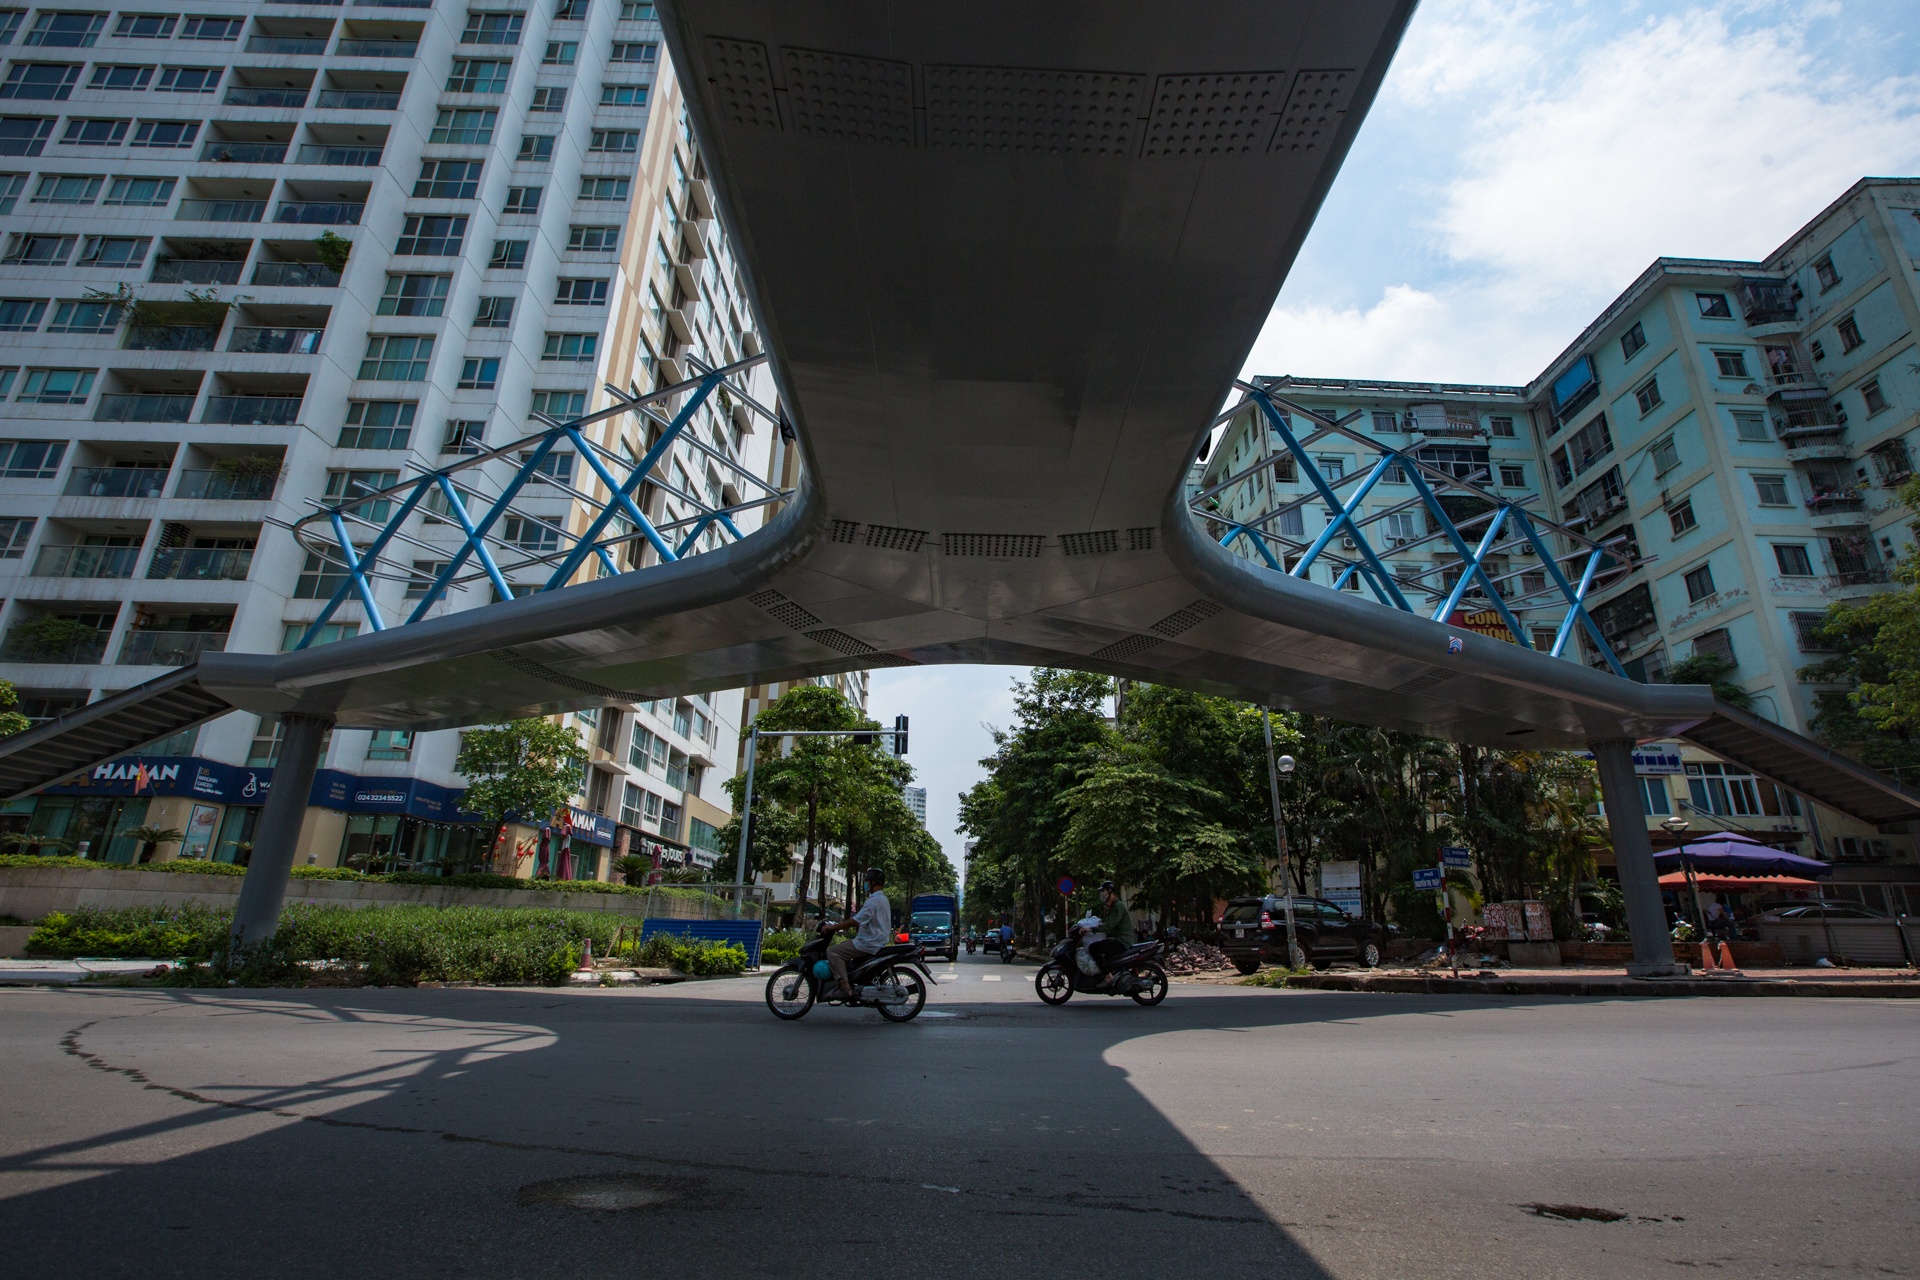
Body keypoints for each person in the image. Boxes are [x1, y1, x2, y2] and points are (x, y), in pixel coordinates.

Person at [819, 867, 891, 1001]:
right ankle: (850, 980)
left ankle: (844, 987)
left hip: (867, 942)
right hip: (876, 940)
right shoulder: (883, 899)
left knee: (833, 952)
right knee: (844, 949)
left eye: (867, 881)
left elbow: (855, 921)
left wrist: (834, 927)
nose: (866, 884)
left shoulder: (873, 902)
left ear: (873, 882)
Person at [1088, 880, 1135, 972]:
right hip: (1117, 939)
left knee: (1093, 948)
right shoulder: (1111, 907)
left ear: (1110, 891)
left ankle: (1107, 976)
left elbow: (1109, 925)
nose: (1102, 894)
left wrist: (1090, 929)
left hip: (1122, 941)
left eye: (1104, 891)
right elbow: (1106, 923)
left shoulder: (1117, 906)